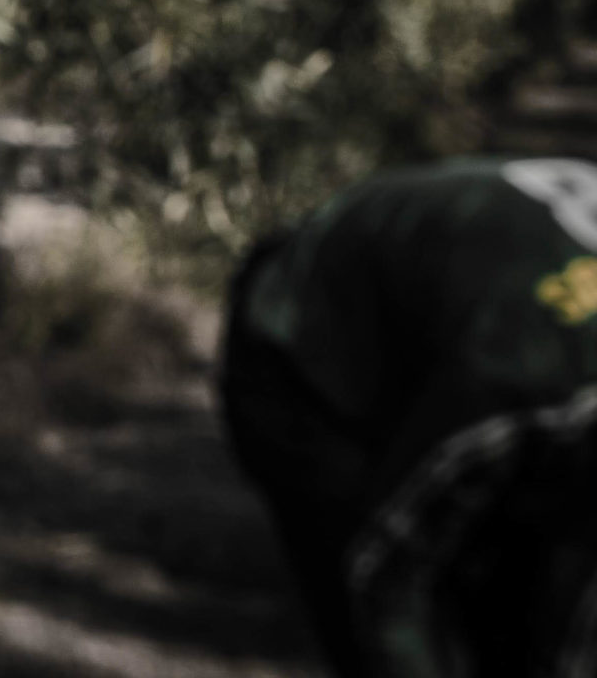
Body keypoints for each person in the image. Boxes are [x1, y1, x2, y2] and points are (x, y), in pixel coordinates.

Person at [220, 155, 597, 677]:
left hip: (470, 294)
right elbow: (390, 569)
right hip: (299, 337)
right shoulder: (520, 384)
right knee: (393, 603)